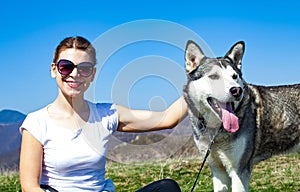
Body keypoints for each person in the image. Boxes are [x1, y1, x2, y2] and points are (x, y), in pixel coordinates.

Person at [19, 36, 188, 192]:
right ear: (54, 70)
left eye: (84, 68)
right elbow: (29, 187)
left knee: (167, 188)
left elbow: (167, 118)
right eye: (66, 67)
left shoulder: (106, 114)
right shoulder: (37, 122)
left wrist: (200, 83)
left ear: (92, 74)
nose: (75, 74)